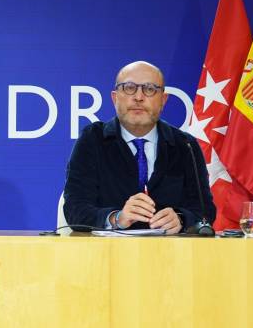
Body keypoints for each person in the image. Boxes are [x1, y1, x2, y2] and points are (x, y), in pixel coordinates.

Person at [63, 60, 215, 234]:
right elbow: (75, 209)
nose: (138, 97)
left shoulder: (185, 145)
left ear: (163, 100)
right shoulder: (92, 140)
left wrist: (181, 219)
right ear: (115, 98)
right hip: (107, 249)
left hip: (170, 249)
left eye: (149, 89)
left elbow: (205, 211)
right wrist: (116, 218)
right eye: (129, 88)